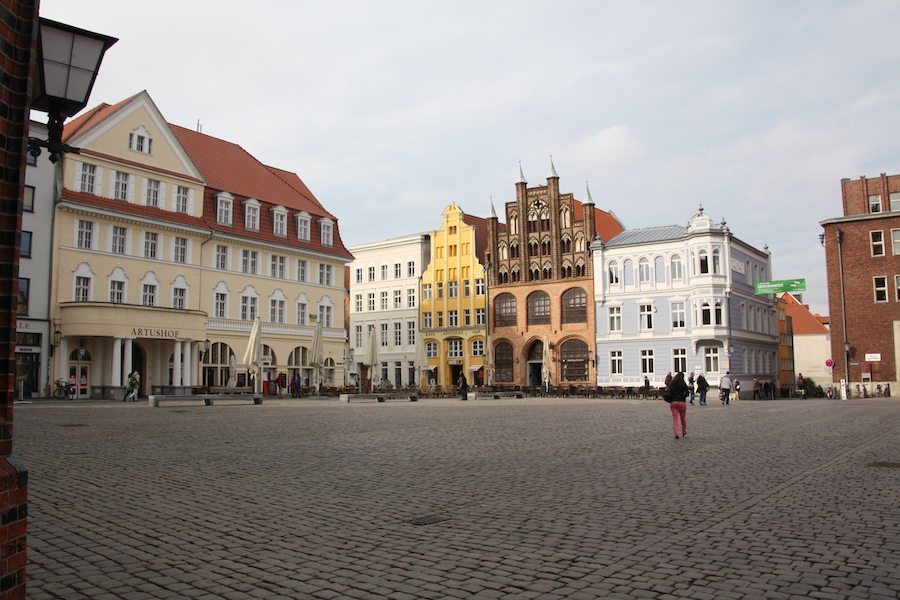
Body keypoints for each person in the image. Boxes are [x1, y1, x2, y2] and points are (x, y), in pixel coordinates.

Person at [665, 371, 690, 438]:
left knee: (675, 419)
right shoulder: (683, 384)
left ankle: (676, 433)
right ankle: (684, 431)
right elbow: (687, 393)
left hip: (674, 403)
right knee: (683, 418)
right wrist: (683, 397)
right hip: (682, 402)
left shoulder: (673, 384)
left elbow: (669, 392)